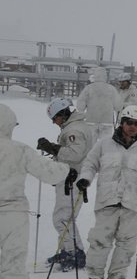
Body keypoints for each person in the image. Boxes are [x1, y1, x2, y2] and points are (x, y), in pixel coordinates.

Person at [0, 104, 71, 279]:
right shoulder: (19, 150)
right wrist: (66, 169)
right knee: (12, 266)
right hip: (13, 214)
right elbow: (49, 172)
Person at [78, 105, 137, 279]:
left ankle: (117, 276)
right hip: (107, 199)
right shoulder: (104, 144)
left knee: (126, 242)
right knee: (100, 239)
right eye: (129, 122)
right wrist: (85, 178)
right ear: (122, 122)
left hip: (133, 201)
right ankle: (95, 275)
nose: (133, 127)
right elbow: (90, 164)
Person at [39, 97, 94, 266]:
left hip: (72, 179)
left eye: (54, 119)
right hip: (71, 177)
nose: (54, 123)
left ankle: (73, 254)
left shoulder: (74, 130)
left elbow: (75, 154)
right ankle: (70, 250)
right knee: (65, 218)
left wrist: (52, 148)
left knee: (62, 219)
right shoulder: (74, 126)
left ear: (62, 114)